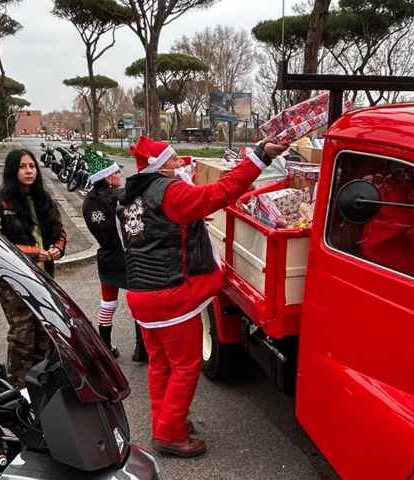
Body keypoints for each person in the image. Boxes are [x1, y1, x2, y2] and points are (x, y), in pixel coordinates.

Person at [118, 135, 284, 458]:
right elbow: (222, 192)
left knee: (160, 364)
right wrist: (259, 157)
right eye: (173, 159)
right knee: (185, 366)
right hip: (170, 295)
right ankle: (170, 433)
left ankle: (164, 421)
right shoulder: (171, 192)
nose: (179, 162)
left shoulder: (130, 197)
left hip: (141, 295)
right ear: (161, 166)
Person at [0, 148, 67, 388]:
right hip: (12, 280)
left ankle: (40, 384)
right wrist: (35, 252)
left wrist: (58, 248)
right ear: (11, 171)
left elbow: (59, 232)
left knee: (45, 331)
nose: (29, 171)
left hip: (44, 276)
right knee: (22, 335)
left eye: (32, 166)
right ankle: (17, 389)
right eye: (22, 166)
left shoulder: (44, 200)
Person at [81, 150, 147, 362]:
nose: (120, 174)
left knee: (108, 303)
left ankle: (106, 346)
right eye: (117, 172)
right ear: (108, 178)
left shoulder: (88, 202)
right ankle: (141, 349)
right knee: (137, 302)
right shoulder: (121, 197)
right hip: (128, 258)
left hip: (107, 257)